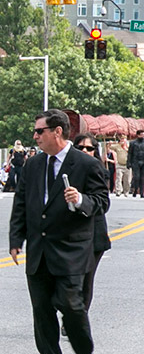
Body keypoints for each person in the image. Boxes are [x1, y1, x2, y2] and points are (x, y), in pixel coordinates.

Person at [8, 109, 109, 354]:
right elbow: (21, 204)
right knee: (42, 311)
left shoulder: (86, 165)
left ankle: (85, 352)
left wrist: (80, 200)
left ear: (58, 132)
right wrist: (16, 239)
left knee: (71, 305)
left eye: (40, 131)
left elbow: (102, 201)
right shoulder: (33, 165)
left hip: (71, 251)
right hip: (39, 250)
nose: (35, 136)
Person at [71, 132, 112, 315]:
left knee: (86, 279)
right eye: (80, 148)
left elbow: (103, 203)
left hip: (93, 234)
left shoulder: (99, 171)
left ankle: (79, 315)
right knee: (70, 279)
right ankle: (70, 309)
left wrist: (81, 200)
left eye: (90, 148)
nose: (85, 151)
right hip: (70, 234)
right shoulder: (66, 171)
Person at [130, 129, 144, 197]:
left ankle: (142, 192)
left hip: (143, 161)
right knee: (136, 177)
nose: (143, 136)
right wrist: (128, 163)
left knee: (142, 178)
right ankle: (135, 189)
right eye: (141, 134)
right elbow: (130, 153)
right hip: (135, 161)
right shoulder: (133, 143)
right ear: (138, 135)